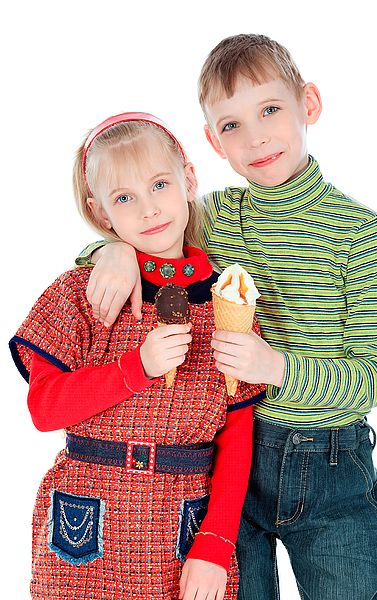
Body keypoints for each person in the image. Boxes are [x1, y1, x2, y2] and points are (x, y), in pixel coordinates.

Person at [75, 34, 377, 600]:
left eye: (270, 109)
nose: (256, 137)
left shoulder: (358, 230)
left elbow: (374, 378)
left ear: (309, 104)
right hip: (227, 465)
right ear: (211, 142)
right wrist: (113, 251)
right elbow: (145, 231)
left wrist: (277, 367)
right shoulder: (213, 217)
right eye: (231, 125)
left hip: (334, 466)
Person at [9, 112, 265, 600]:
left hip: (182, 527)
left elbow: (236, 438)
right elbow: (43, 409)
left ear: (189, 180)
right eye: (124, 198)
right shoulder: (80, 294)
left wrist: (214, 544)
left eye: (160, 184)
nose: (149, 210)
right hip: (85, 520)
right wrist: (137, 368)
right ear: (102, 213)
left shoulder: (229, 303)